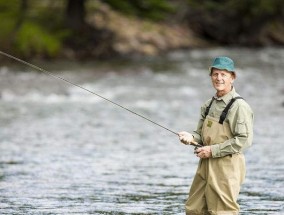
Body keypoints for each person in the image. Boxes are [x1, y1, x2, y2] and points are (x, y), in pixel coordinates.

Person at [178, 56, 254, 215]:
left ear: (232, 78)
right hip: (205, 165)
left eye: (223, 74)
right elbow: (199, 134)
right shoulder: (208, 105)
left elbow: (244, 140)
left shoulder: (239, 106)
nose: (219, 78)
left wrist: (212, 151)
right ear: (211, 76)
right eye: (215, 74)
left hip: (227, 166)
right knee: (194, 209)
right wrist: (190, 138)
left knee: (222, 211)